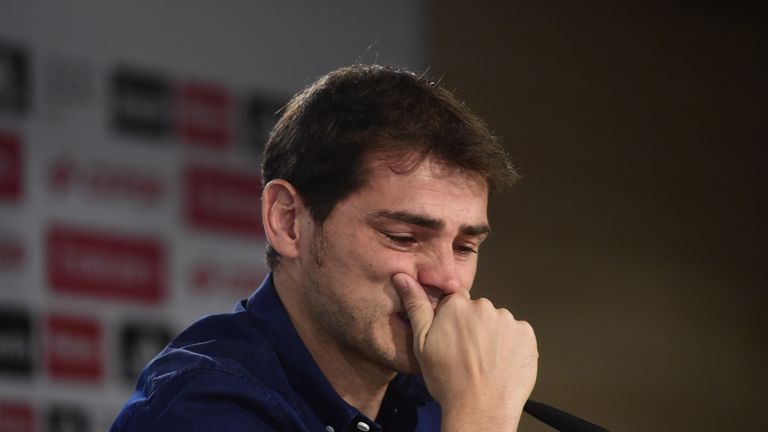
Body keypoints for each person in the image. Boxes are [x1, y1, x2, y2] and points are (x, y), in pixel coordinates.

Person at [110, 64, 539, 432]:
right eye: (403, 237)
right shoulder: (202, 405)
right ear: (289, 222)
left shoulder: (433, 398)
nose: (447, 279)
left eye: (465, 246)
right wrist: (481, 418)